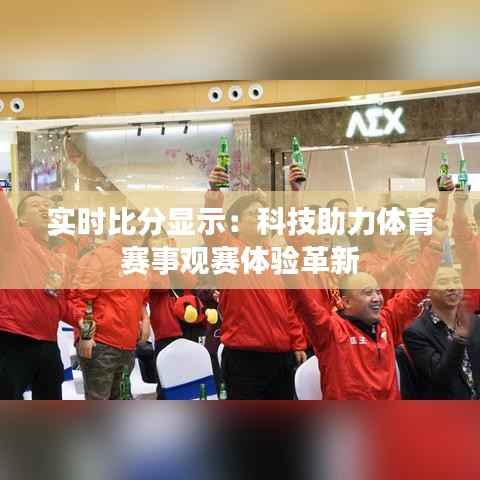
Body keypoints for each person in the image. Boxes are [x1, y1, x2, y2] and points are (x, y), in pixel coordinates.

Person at [286, 220, 447, 399]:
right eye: (367, 293)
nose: (377, 298)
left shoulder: (387, 321)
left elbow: (416, 289)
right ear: (346, 302)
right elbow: (302, 300)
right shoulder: (329, 331)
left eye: (378, 292)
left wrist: (435, 244)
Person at [206, 167, 307, 400]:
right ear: (237, 224)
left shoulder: (277, 256)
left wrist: (298, 342)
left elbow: (288, 307)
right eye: (253, 214)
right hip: (244, 359)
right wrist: (214, 192)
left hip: (281, 357)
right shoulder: (228, 251)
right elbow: (212, 230)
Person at [0, 190, 82, 399]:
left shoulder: (55, 259)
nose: (44, 209)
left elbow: (60, 302)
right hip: (14, 338)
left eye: (47, 205)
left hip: (48, 343)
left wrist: (83, 320)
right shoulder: (13, 240)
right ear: (20, 219)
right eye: (36, 206)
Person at [70, 210, 150, 400]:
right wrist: (85, 335)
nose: (138, 233)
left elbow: (141, 299)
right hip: (101, 344)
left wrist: (145, 319)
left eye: (141, 228)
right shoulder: (98, 257)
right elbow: (80, 298)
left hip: (128, 345)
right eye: (131, 227)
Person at [403, 266, 480, 399]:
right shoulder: (415, 333)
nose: (452, 287)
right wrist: (459, 339)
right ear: (428, 291)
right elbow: (441, 376)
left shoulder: (475, 321)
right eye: (443, 282)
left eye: (456, 281)